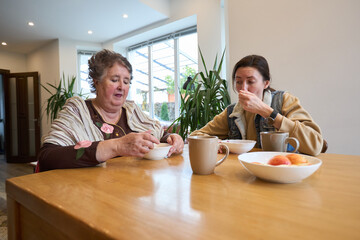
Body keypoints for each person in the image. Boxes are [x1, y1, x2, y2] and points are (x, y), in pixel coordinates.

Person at [37, 49, 184, 172]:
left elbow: (159, 135)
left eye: (126, 82)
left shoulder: (132, 110)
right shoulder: (77, 110)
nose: (122, 86)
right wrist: (117, 146)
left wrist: (171, 138)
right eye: (114, 80)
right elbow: (47, 158)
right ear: (97, 82)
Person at [190, 55, 323, 156]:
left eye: (251, 82)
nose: (244, 88)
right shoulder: (232, 112)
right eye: (238, 82)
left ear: (266, 83)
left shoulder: (284, 100)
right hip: (244, 174)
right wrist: (214, 143)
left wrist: (267, 112)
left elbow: (316, 144)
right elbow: (196, 136)